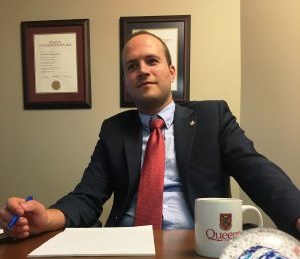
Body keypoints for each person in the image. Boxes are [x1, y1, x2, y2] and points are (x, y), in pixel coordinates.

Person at [1, 31, 300, 239]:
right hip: (125, 248)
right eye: (132, 66)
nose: (142, 70)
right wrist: (46, 219)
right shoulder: (114, 130)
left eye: (151, 61)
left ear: (172, 72)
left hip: (199, 244)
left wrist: (296, 213)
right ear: (126, 83)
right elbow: (88, 196)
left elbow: (256, 170)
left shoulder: (213, 117)